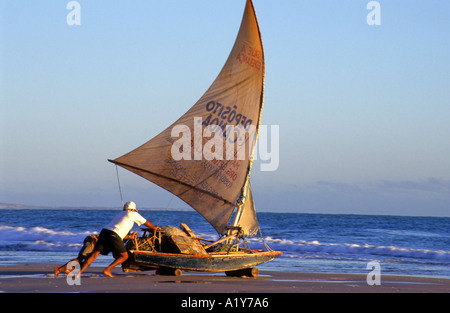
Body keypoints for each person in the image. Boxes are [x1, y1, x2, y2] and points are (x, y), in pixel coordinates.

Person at [77, 201, 160, 277]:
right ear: (133, 209)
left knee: (94, 255)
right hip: (114, 234)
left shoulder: (120, 214)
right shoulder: (133, 213)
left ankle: (79, 273)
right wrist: (154, 227)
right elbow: (146, 222)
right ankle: (107, 269)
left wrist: (130, 236)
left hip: (104, 231)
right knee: (124, 256)